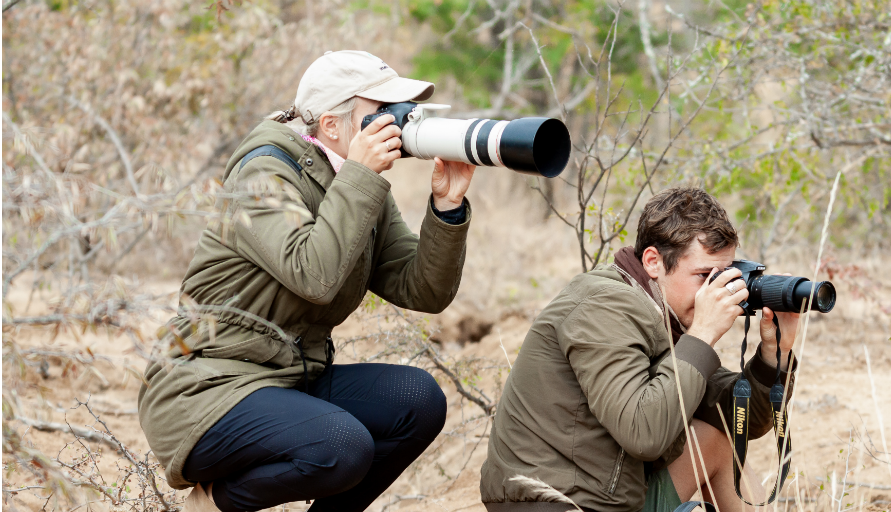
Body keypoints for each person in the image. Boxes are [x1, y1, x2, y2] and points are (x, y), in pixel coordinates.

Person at [138, 50, 476, 512]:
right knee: (343, 446)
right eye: (381, 113)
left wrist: (447, 208)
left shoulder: (357, 183)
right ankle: (213, 503)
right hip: (204, 386)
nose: (398, 124)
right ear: (333, 127)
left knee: (418, 401)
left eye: (402, 112)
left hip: (287, 379)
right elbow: (312, 275)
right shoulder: (264, 173)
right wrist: (361, 176)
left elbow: (423, 289)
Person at [480, 188, 799, 512]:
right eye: (704, 275)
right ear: (653, 262)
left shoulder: (664, 312)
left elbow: (740, 419)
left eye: (724, 276)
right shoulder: (604, 307)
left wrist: (776, 352)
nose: (717, 291)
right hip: (558, 503)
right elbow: (643, 435)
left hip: (611, 495)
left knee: (715, 440)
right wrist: (702, 335)